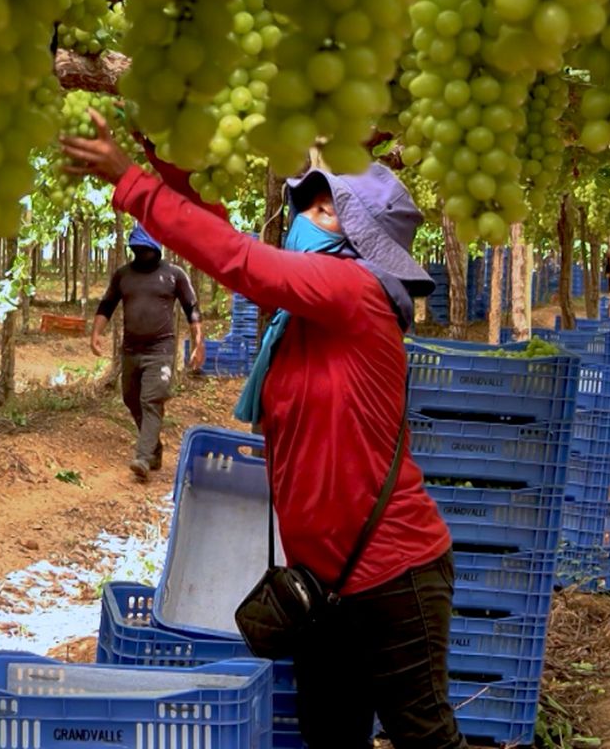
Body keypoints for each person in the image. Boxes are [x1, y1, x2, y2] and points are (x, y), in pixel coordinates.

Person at [63, 113, 468, 749]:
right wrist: (168, 152)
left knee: (425, 737)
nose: (304, 216)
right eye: (308, 204)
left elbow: (240, 260)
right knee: (330, 739)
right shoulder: (304, 315)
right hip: (325, 582)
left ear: (359, 237)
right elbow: (222, 235)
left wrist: (132, 182)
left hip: (394, 574)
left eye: (323, 209)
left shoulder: (355, 291)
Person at [92, 224, 205, 481]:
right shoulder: (123, 275)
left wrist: (199, 342)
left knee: (151, 400)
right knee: (131, 398)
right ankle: (154, 448)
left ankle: (143, 457)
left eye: (146, 249)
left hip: (160, 351)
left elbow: (192, 308)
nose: (142, 254)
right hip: (130, 350)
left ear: (156, 249)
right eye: (138, 249)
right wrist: (96, 333)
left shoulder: (174, 274)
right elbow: (107, 304)